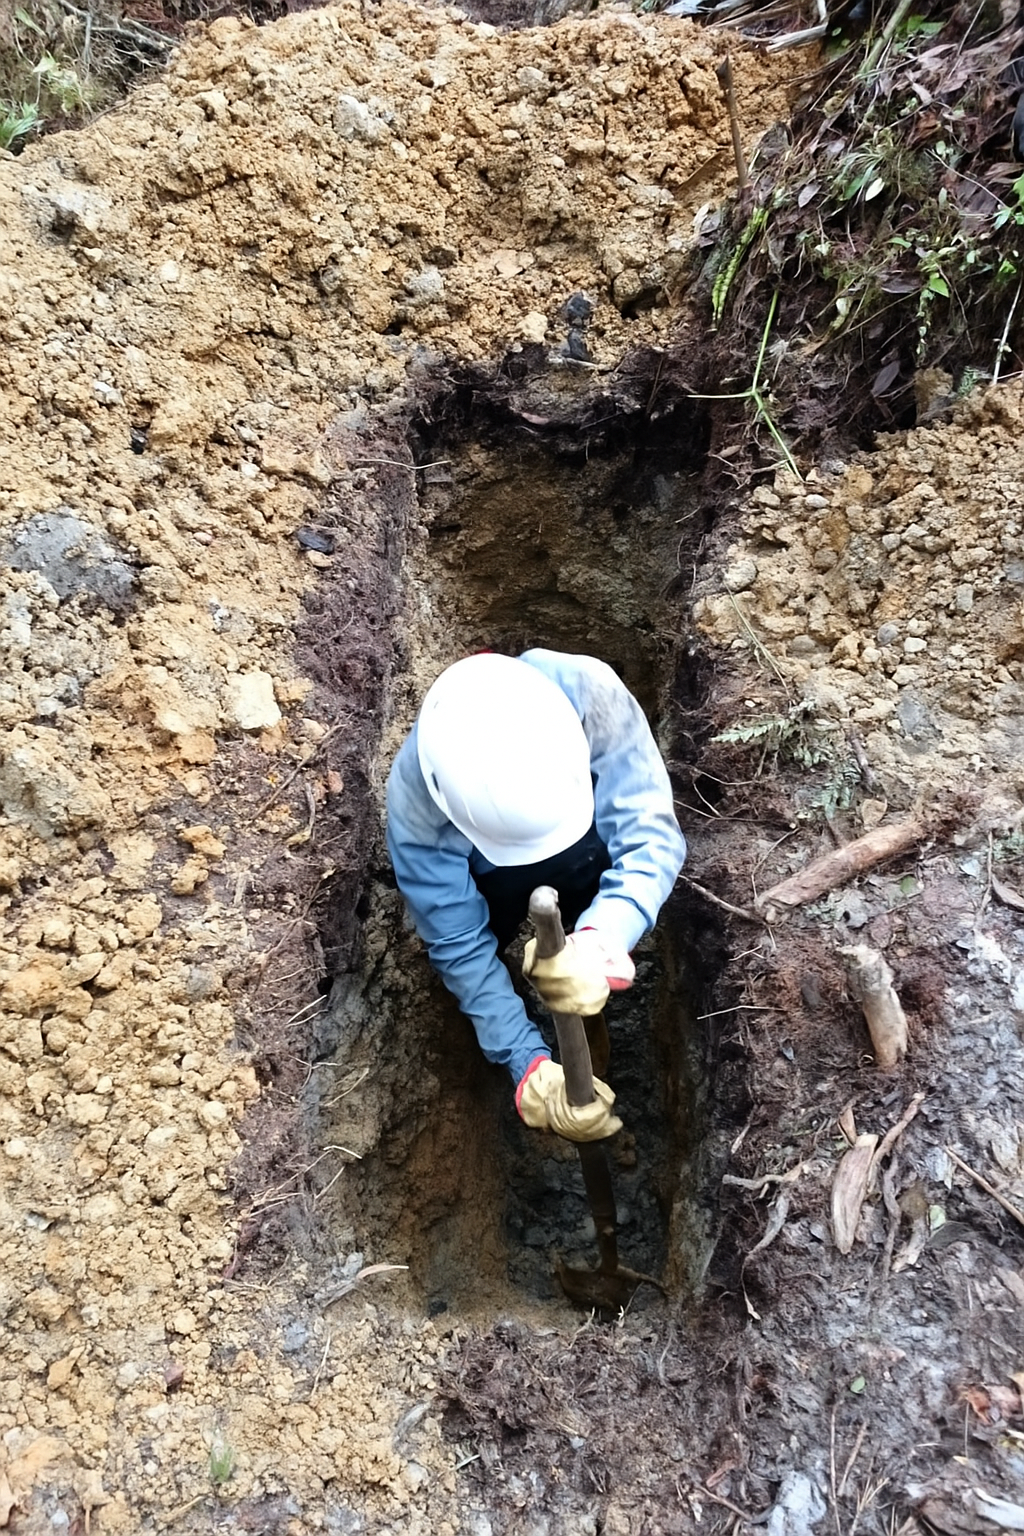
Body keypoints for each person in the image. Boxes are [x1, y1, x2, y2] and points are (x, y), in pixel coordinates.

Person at [385, 649, 686, 1143]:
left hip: (588, 843)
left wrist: (601, 937)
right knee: (483, 951)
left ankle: (589, 1011)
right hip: (489, 876)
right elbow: (460, 942)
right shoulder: (419, 801)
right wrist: (525, 1063)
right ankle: (515, 1000)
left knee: (592, 892)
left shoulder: (593, 695)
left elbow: (649, 837)